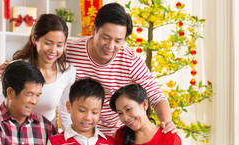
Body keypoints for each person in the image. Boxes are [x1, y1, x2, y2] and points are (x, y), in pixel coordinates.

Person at [65, 3, 176, 136]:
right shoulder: (70, 51)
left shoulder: (130, 59)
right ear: (94, 30)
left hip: (116, 135)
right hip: (79, 132)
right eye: (105, 38)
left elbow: (156, 95)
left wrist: (167, 123)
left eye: (118, 41)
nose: (110, 46)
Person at [0, 14, 75, 130]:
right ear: (34, 39)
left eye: (59, 45)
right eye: (48, 43)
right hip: (15, 132)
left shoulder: (68, 72)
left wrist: (69, 140)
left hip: (46, 133)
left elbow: (65, 111)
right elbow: (3, 103)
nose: (53, 50)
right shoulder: (17, 67)